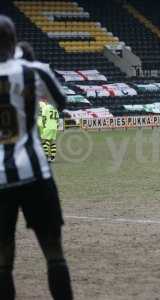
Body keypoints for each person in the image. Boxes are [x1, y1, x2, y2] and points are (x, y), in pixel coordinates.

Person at [0, 15, 73, 299]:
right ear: (14, 39)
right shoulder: (34, 70)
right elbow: (61, 101)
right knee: (54, 252)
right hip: (35, 173)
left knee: (3, 261)